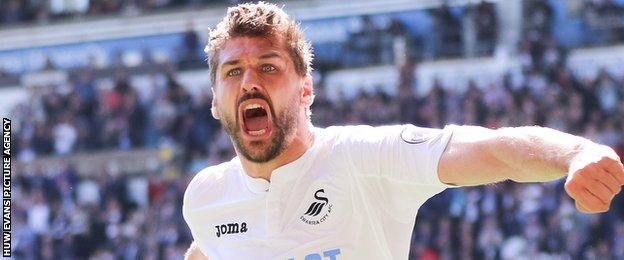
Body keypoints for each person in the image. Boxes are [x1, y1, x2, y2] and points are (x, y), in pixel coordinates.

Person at [182, 2, 624, 259]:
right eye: (233, 71)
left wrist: (576, 154)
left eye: (268, 67)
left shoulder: (363, 158)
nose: (250, 82)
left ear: (305, 90)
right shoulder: (205, 196)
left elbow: (495, 150)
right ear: (215, 102)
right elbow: (207, 247)